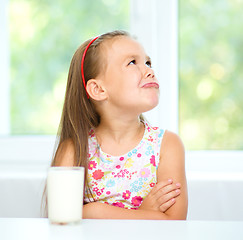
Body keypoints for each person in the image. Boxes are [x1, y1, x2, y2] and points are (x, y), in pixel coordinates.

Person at [50, 30, 188, 220]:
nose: (150, 70)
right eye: (132, 62)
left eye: (148, 62)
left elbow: (174, 222)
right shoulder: (73, 150)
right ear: (98, 89)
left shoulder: (167, 145)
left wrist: (94, 211)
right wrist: (144, 214)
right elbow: (62, 219)